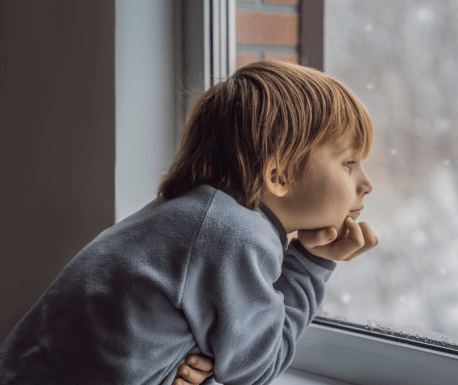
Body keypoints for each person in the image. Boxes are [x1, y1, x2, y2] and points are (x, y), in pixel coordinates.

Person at [0, 60, 378, 384]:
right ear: (278, 176)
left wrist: (212, 358)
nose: (366, 184)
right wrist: (311, 266)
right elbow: (258, 369)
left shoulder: (194, 212)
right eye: (349, 163)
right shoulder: (235, 235)